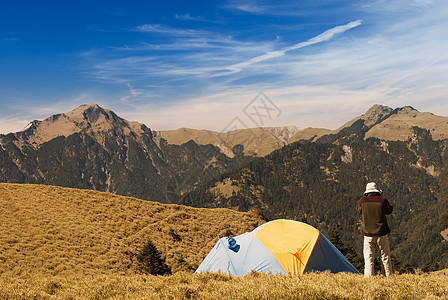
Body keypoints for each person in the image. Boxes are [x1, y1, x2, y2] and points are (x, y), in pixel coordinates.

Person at [357, 182, 393, 277]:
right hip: (381, 233)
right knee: (385, 256)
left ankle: (369, 278)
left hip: (368, 234)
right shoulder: (383, 200)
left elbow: (359, 211)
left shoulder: (362, 201)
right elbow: (389, 210)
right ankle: (388, 276)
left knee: (369, 258)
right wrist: (382, 197)